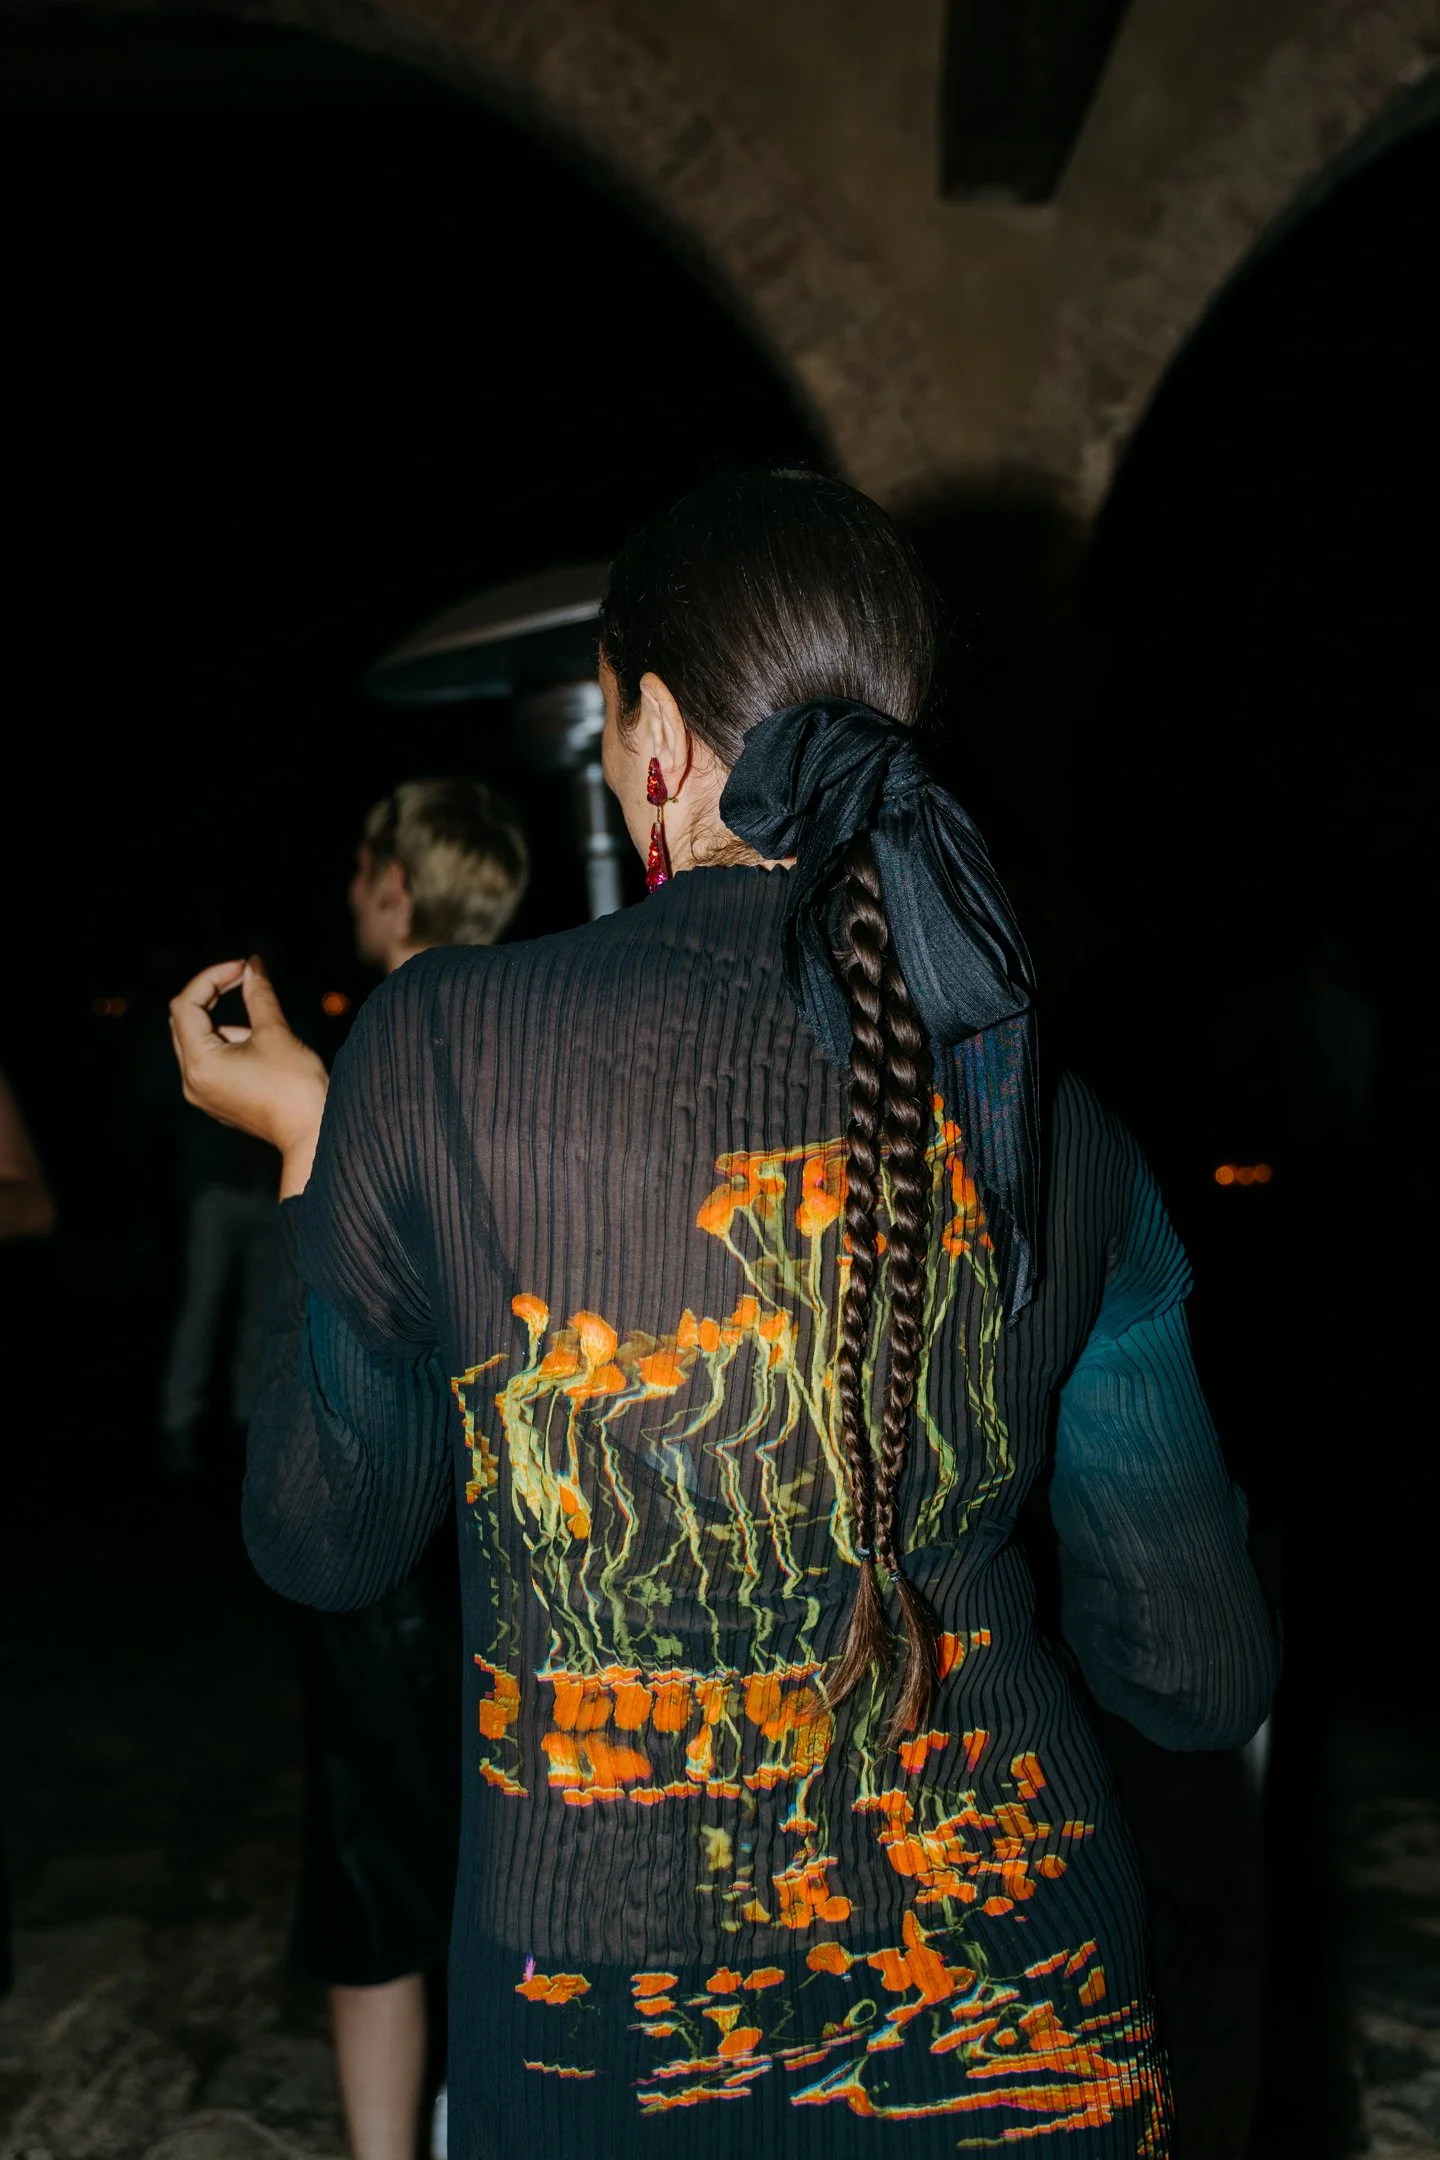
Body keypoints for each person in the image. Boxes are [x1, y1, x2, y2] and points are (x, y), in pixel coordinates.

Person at [171, 468, 1277, 2159]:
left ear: (660, 737)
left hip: (601, 2029)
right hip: (1032, 2020)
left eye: (616, 718)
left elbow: (325, 1540)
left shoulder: (442, 1048)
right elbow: (1199, 1676)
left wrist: (319, 1155)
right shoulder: (1045, 1108)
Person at [295, 777, 529, 2160]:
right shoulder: (544, 1023)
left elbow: (343, 1304)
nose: (349, 891)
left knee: (375, 1864)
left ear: (398, 886)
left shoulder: (390, 1034)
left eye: (362, 867)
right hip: (530, 1507)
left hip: (396, 1505)